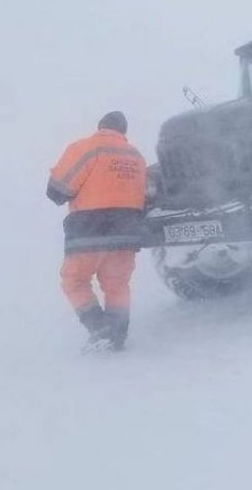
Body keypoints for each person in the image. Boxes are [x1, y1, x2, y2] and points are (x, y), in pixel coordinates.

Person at [47, 112, 147, 352]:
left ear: (100, 127)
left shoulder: (86, 148)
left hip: (89, 230)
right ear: (123, 131)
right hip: (126, 232)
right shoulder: (137, 156)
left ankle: (100, 328)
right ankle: (118, 335)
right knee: (117, 284)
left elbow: (57, 191)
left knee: (75, 280)